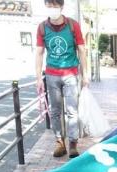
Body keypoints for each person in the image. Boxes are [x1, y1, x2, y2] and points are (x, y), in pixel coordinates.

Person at [36, 0, 89, 159]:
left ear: (61, 6)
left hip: (71, 74)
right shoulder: (42, 27)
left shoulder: (73, 25)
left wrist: (85, 74)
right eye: (49, 6)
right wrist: (39, 78)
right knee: (55, 111)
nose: (53, 9)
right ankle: (59, 142)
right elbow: (39, 53)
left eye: (55, 6)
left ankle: (73, 143)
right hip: (52, 74)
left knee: (72, 110)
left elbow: (81, 50)